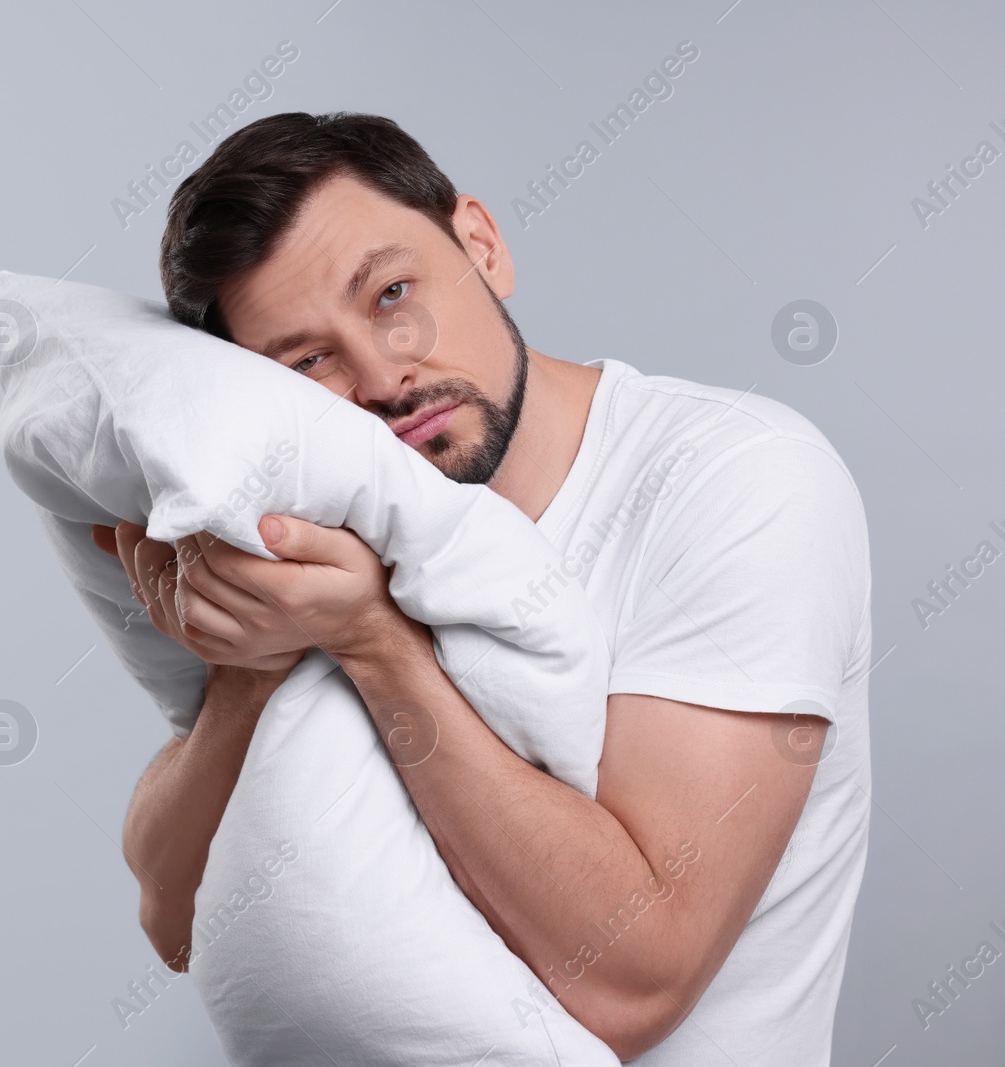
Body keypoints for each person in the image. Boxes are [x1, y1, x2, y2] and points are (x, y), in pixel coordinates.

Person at [90, 111, 871, 1065]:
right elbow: (176, 923)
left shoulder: (737, 481)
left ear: (482, 246)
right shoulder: (333, 531)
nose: (381, 376)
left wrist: (375, 643)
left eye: (392, 293)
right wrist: (252, 673)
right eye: (306, 362)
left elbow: (635, 980)